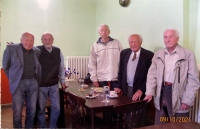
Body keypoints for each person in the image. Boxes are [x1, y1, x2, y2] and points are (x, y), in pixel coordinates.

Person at [144, 29, 200, 124]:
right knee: (160, 123)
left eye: (171, 37)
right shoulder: (158, 55)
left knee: (179, 124)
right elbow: (151, 75)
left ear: (177, 39)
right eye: (165, 37)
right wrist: (149, 92)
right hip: (162, 92)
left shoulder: (188, 54)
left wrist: (187, 100)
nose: (168, 40)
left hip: (179, 93)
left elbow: (193, 80)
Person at [2, 32, 41, 128]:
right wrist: (12, 79)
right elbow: (5, 66)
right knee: (17, 111)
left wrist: (36, 80)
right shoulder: (11, 48)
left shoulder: (37, 51)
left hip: (33, 83)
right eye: (26, 40)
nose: (29, 42)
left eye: (31, 40)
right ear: (21, 40)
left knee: (32, 111)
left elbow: (37, 66)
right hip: (18, 84)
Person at [37, 32, 67, 128]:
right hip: (41, 85)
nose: (47, 41)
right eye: (45, 39)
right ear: (41, 41)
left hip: (54, 84)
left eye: (49, 39)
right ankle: (42, 127)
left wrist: (62, 81)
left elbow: (61, 66)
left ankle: (52, 127)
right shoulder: (37, 50)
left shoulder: (58, 51)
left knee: (57, 108)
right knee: (40, 109)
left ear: (53, 40)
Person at [115, 34, 154, 100]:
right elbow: (121, 71)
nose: (133, 44)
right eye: (131, 42)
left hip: (140, 91)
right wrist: (119, 86)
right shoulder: (124, 53)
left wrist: (141, 90)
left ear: (141, 42)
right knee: (125, 109)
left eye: (135, 42)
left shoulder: (149, 55)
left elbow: (150, 76)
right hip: (125, 89)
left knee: (138, 109)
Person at [88, 24, 123, 90]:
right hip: (101, 79)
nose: (104, 32)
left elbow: (122, 61)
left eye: (106, 30)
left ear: (109, 32)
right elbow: (92, 63)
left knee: (116, 99)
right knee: (102, 99)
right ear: (99, 33)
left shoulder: (116, 42)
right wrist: (94, 79)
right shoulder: (95, 45)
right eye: (102, 30)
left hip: (115, 78)